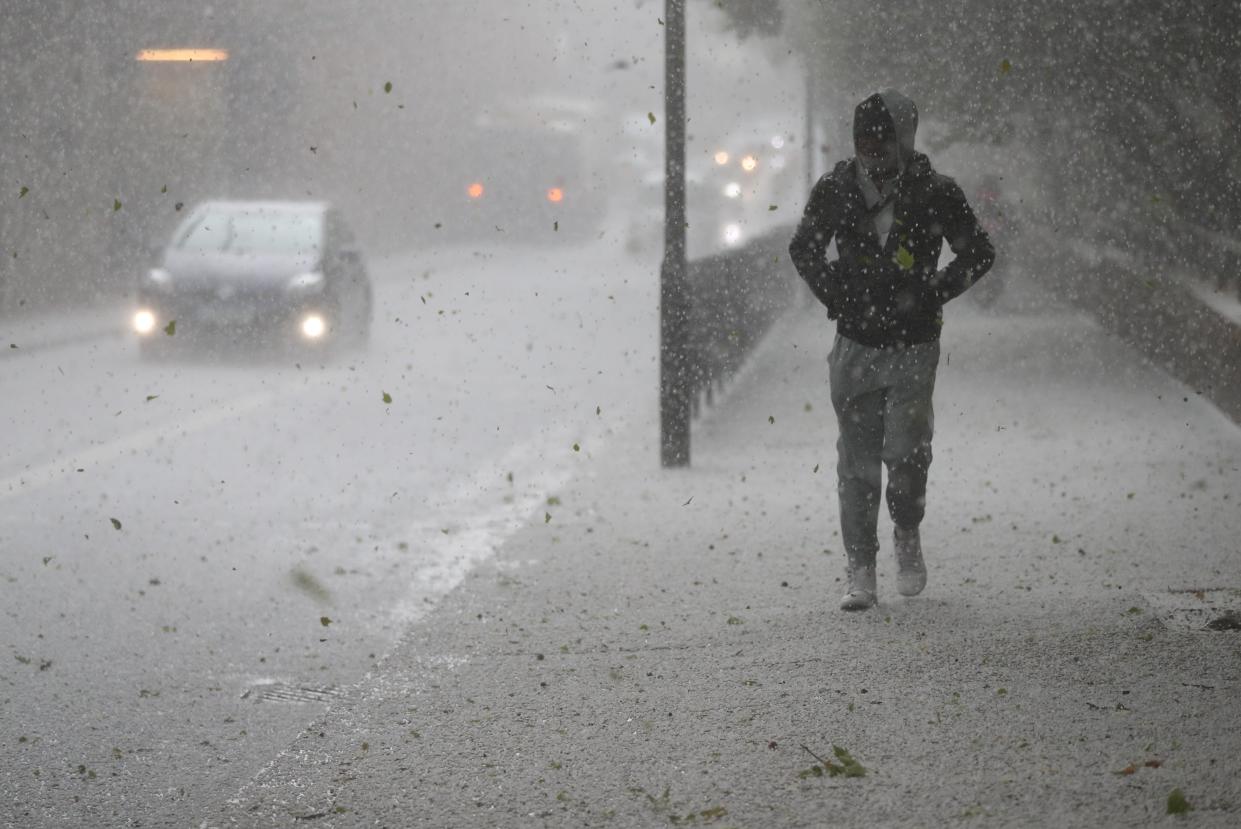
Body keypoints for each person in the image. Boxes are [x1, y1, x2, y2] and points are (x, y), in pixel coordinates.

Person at [788, 89, 995, 611]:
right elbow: (804, 248)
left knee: (907, 452)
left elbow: (979, 252)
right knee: (856, 463)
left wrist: (932, 292)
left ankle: (906, 530)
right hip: (855, 345)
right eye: (864, 137)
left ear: (904, 138)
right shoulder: (835, 190)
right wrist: (835, 294)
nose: (873, 147)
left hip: (914, 344)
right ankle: (861, 569)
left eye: (883, 137)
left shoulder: (935, 191)